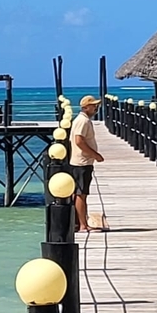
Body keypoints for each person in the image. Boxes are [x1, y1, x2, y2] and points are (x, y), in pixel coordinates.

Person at [69, 95, 104, 232]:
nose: (96, 108)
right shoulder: (83, 121)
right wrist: (95, 155)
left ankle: (80, 223)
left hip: (81, 162)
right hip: (81, 163)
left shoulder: (83, 120)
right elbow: (79, 141)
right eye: (93, 105)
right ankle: (83, 225)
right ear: (85, 107)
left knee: (80, 194)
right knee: (81, 194)